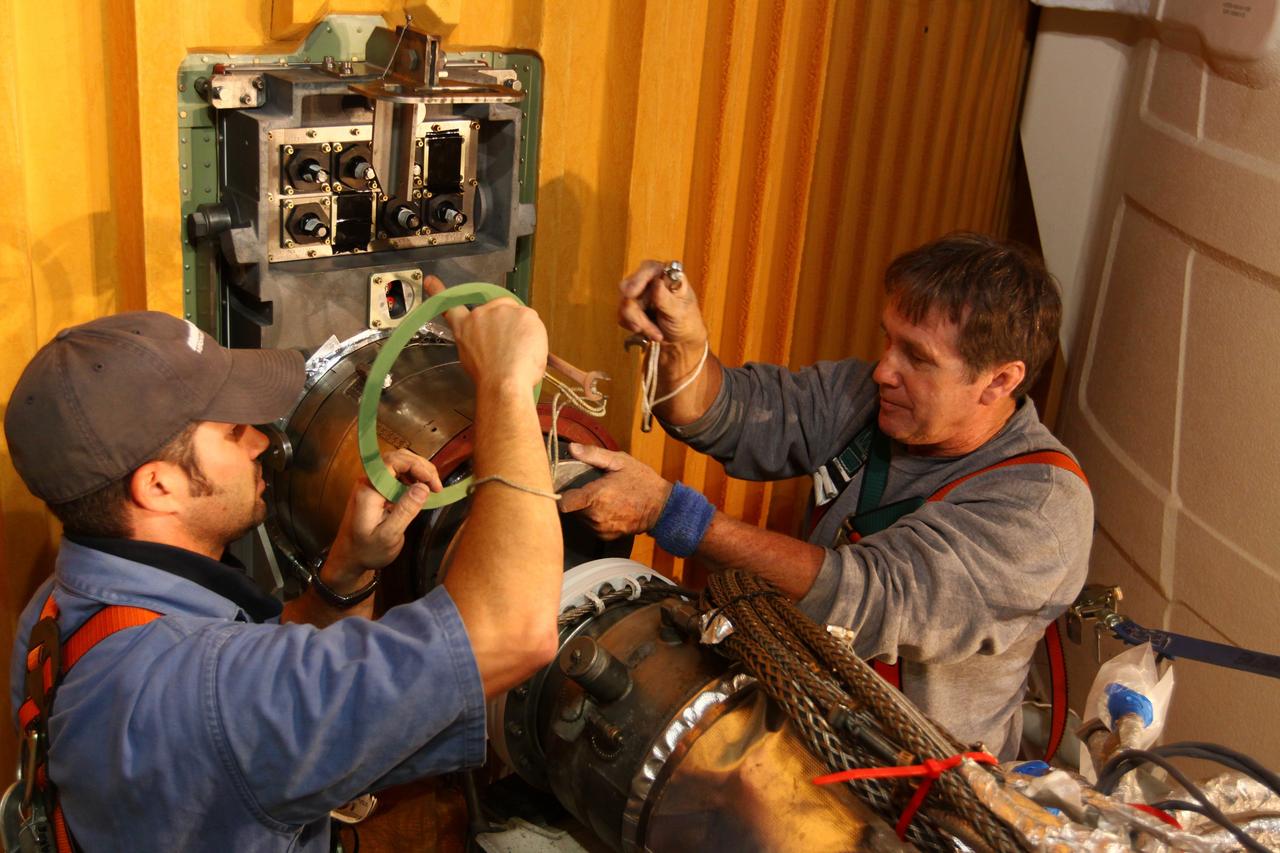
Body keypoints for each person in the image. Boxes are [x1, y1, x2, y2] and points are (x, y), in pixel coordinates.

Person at [4, 288, 562, 851]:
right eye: (230, 431)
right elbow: (512, 633)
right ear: (159, 486)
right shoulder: (204, 693)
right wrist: (505, 388)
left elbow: (253, 690)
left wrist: (346, 571)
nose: (261, 440)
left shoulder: (58, 609)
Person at [560, 233, 1094, 759]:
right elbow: (730, 414)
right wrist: (683, 345)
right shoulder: (866, 399)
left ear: (999, 381)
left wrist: (671, 512)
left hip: (911, 789)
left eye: (917, 357)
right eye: (889, 340)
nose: (884, 370)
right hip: (799, 718)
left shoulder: (1040, 510)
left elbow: (868, 599)